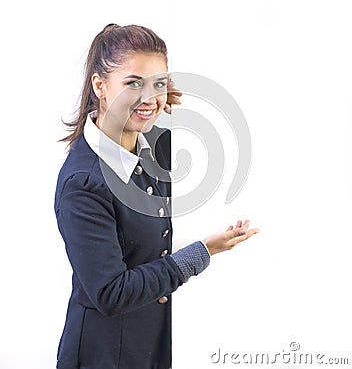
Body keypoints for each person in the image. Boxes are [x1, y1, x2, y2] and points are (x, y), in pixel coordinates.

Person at [54, 23, 259, 369]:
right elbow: (111, 292)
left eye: (160, 83)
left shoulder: (156, 146)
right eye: (132, 82)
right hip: (102, 355)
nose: (150, 98)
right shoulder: (83, 184)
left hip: (150, 347)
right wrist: (203, 252)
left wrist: (148, 96)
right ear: (100, 86)